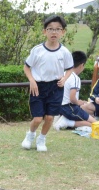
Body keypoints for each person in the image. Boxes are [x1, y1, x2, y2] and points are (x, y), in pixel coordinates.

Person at [21, 15, 74, 152]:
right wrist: (32, 80)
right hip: (38, 87)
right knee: (38, 118)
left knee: (50, 117)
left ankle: (42, 139)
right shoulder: (37, 50)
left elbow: (70, 68)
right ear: (44, 31)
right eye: (50, 29)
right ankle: (30, 135)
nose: (54, 32)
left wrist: (64, 79)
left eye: (58, 29)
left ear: (63, 32)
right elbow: (26, 67)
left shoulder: (64, 52)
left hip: (56, 87)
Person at [53, 50, 97, 130]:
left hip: (60, 107)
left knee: (90, 121)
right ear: (81, 65)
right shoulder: (75, 78)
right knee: (95, 123)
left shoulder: (63, 74)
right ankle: (66, 122)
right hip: (70, 107)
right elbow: (72, 98)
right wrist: (78, 102)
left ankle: (65, 120)